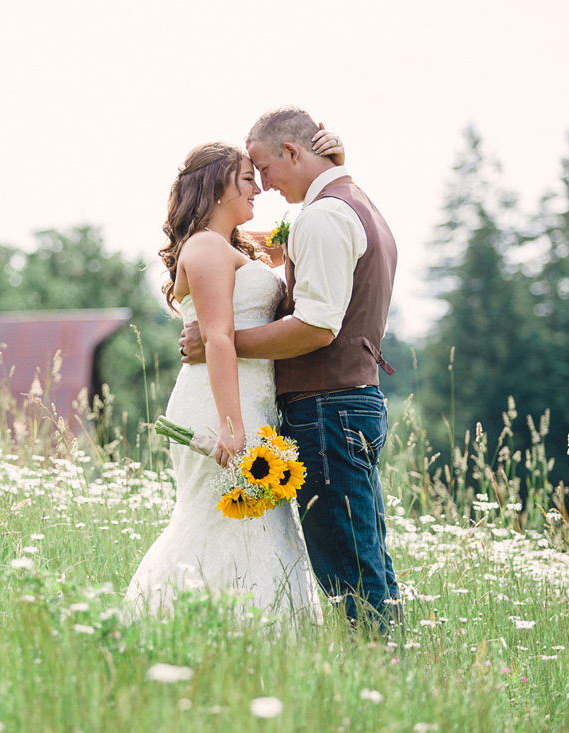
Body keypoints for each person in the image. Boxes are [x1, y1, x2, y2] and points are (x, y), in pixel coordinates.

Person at [180, 106, 401, 631]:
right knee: (364, 553)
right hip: (346, 403)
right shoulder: (353, 204)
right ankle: (386, 661)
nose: (263, 185)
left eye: (264, 168)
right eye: (248, 177)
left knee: (349, 563)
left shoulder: (324, 217)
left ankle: (376, 664)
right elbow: (250, 259)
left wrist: (226, 341)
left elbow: (317, 327)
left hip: (328, 409)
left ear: (294, 153)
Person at [124, 131, 344, 626]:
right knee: (220, 517)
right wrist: (231, 425)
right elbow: (219, 338)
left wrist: (331, 166)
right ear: (218, 187)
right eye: (248, 179)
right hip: (219, 404)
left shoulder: (233, 246)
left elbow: (306, 226)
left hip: (252, 401)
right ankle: (186, 624)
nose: (259, 190)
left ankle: (255, 633)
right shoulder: (204, 248)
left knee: (261, 523)